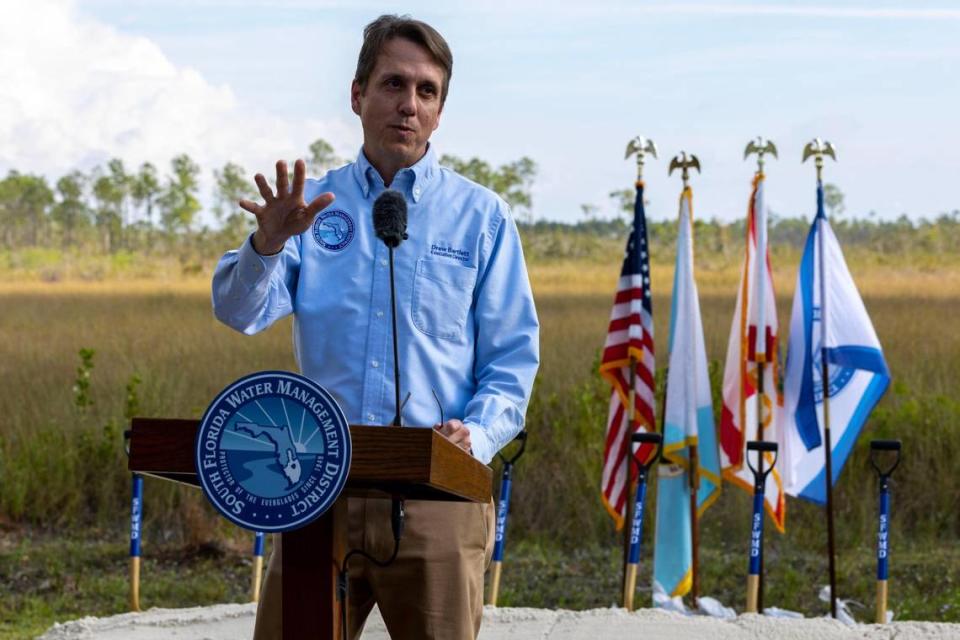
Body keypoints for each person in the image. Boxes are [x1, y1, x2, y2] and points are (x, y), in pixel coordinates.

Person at [211, 14, 540, 640]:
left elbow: (513, 358)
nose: (408, 105)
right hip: (317, 487)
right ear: (358, 95)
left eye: (426, 91)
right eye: (392, 84)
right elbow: (239, 311)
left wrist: (474, 433)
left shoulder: (482, 217)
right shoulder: (313, 209)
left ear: (441, 111)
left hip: (437, 489)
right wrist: (267, 244)